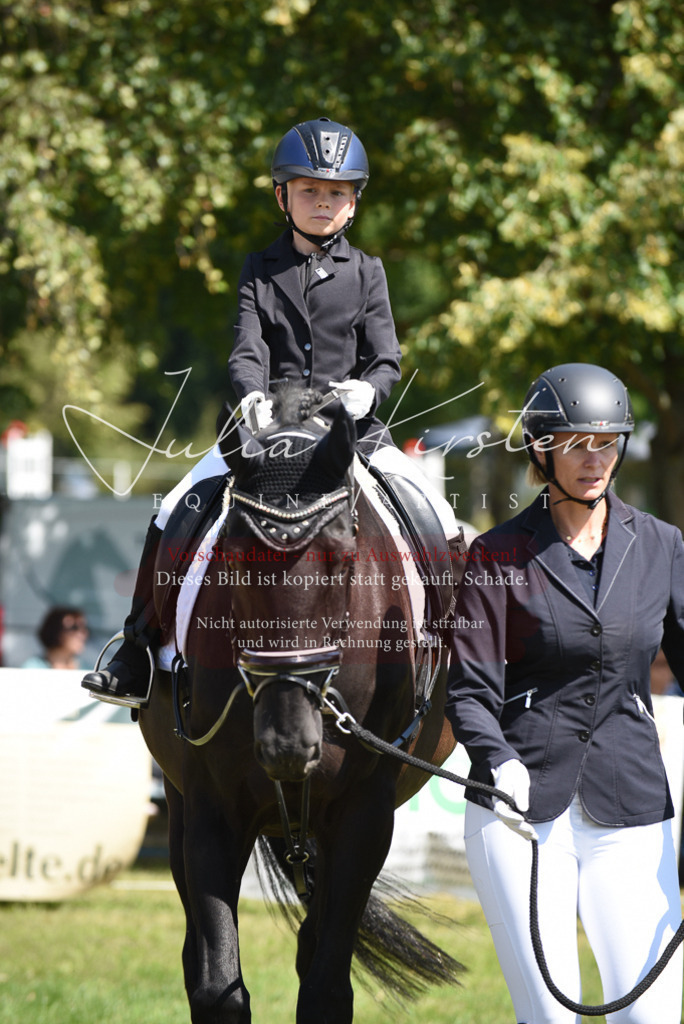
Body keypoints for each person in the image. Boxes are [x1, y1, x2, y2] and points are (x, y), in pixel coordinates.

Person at [82, 116, 461, 709]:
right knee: (178, 505)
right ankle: (135, 647)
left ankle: (456, 649)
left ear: (354, 203)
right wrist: (250, 393)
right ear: (283, 196)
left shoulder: (369, 272)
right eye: (310, 190)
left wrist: (370, 391)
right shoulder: (260, 269)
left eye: (336, 192)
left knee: (435, 510)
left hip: (349, 431)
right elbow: (246, 349)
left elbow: (386, 357)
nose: (323, 202)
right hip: (268, 428)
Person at [445, 362, 684, 1024]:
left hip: (630, 801)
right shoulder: (495, 558)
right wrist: (499, 762)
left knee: (653, 1014)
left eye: (606, 442)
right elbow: (468, 689)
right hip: (520, 811)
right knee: (550, 1016)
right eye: (576, 443)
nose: (594, 459)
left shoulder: (663, 547)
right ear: (540, 448)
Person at [23, 606, 89, 670]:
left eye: (84, 627)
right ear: (54, 630)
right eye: (74, 627)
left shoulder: (86, 668)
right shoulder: (33, 668)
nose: (82, 633)